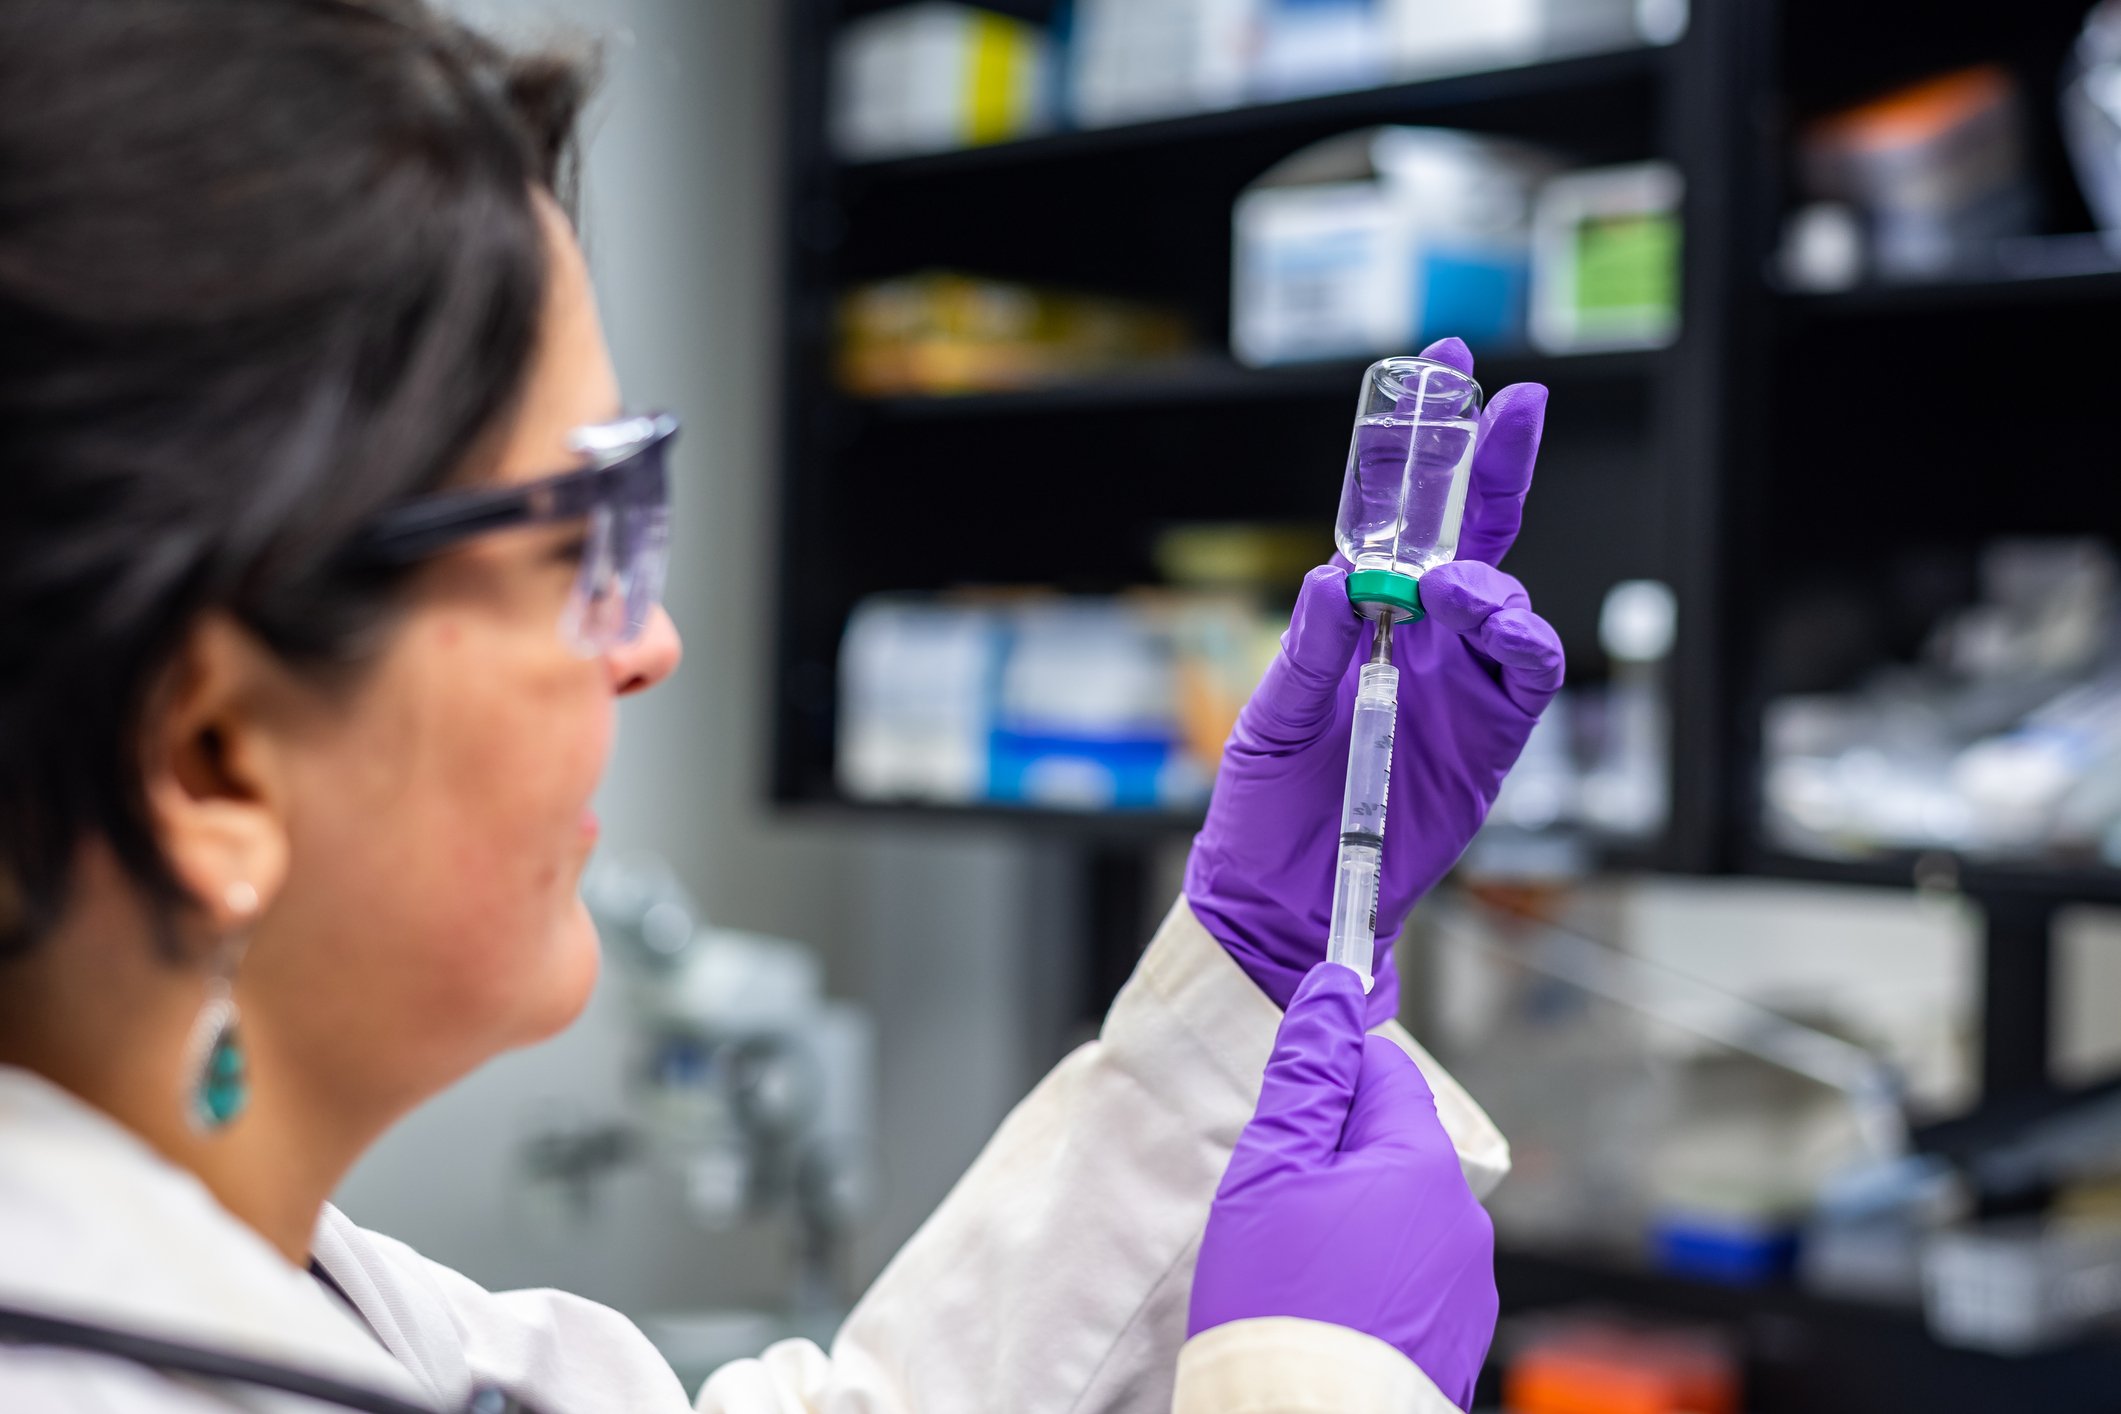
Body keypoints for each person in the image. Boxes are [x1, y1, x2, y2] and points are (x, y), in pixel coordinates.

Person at [0, 2, 1565, 1411]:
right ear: (212, 760)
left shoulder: (300, 1305)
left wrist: (1249, 972)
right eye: (581, 534)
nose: (652, 641)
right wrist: (1303, 1390)